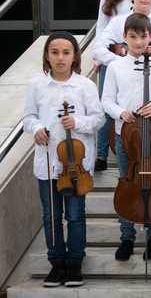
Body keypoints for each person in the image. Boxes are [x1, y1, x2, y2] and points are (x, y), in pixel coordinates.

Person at [24, 32, 105, 287]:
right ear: (47, 56)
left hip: (76, 166)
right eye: (55, 52)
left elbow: (98, 119)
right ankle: (56, 263)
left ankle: (75, 264)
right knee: (50, 216)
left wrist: (78, 122)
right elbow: (28, 117)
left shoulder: (85, 86)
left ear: (74, 56)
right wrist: (36, 127)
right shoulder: (37, 85)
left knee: (76, 216)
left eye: (66, 52)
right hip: (48, 162)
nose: (60, 57)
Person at [101, 13, 151, 262]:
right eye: (133, 36)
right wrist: (121, 112)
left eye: (143, 36)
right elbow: (107, 101)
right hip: (126, 136)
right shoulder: (115, 67)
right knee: (127, 185)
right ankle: (127, 238)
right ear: (124, 38)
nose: (139, 41)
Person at [93, 0, 145, 171]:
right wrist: (102, 57)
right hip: (114, 57)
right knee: (107, 106)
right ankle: (102, 154)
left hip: (137, 55)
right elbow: (101, 27)